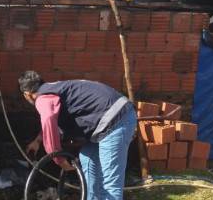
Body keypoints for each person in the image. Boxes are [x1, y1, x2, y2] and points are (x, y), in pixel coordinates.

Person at [20, 71, 137, 200]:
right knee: (87, 158)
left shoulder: (43, 99)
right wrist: (38, 140)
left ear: (27, 94)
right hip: (106, 119)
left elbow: (48, 119)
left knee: (109, 184)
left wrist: (59, 159)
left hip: (116, 120)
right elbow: (53, 121)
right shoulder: (53, 89)